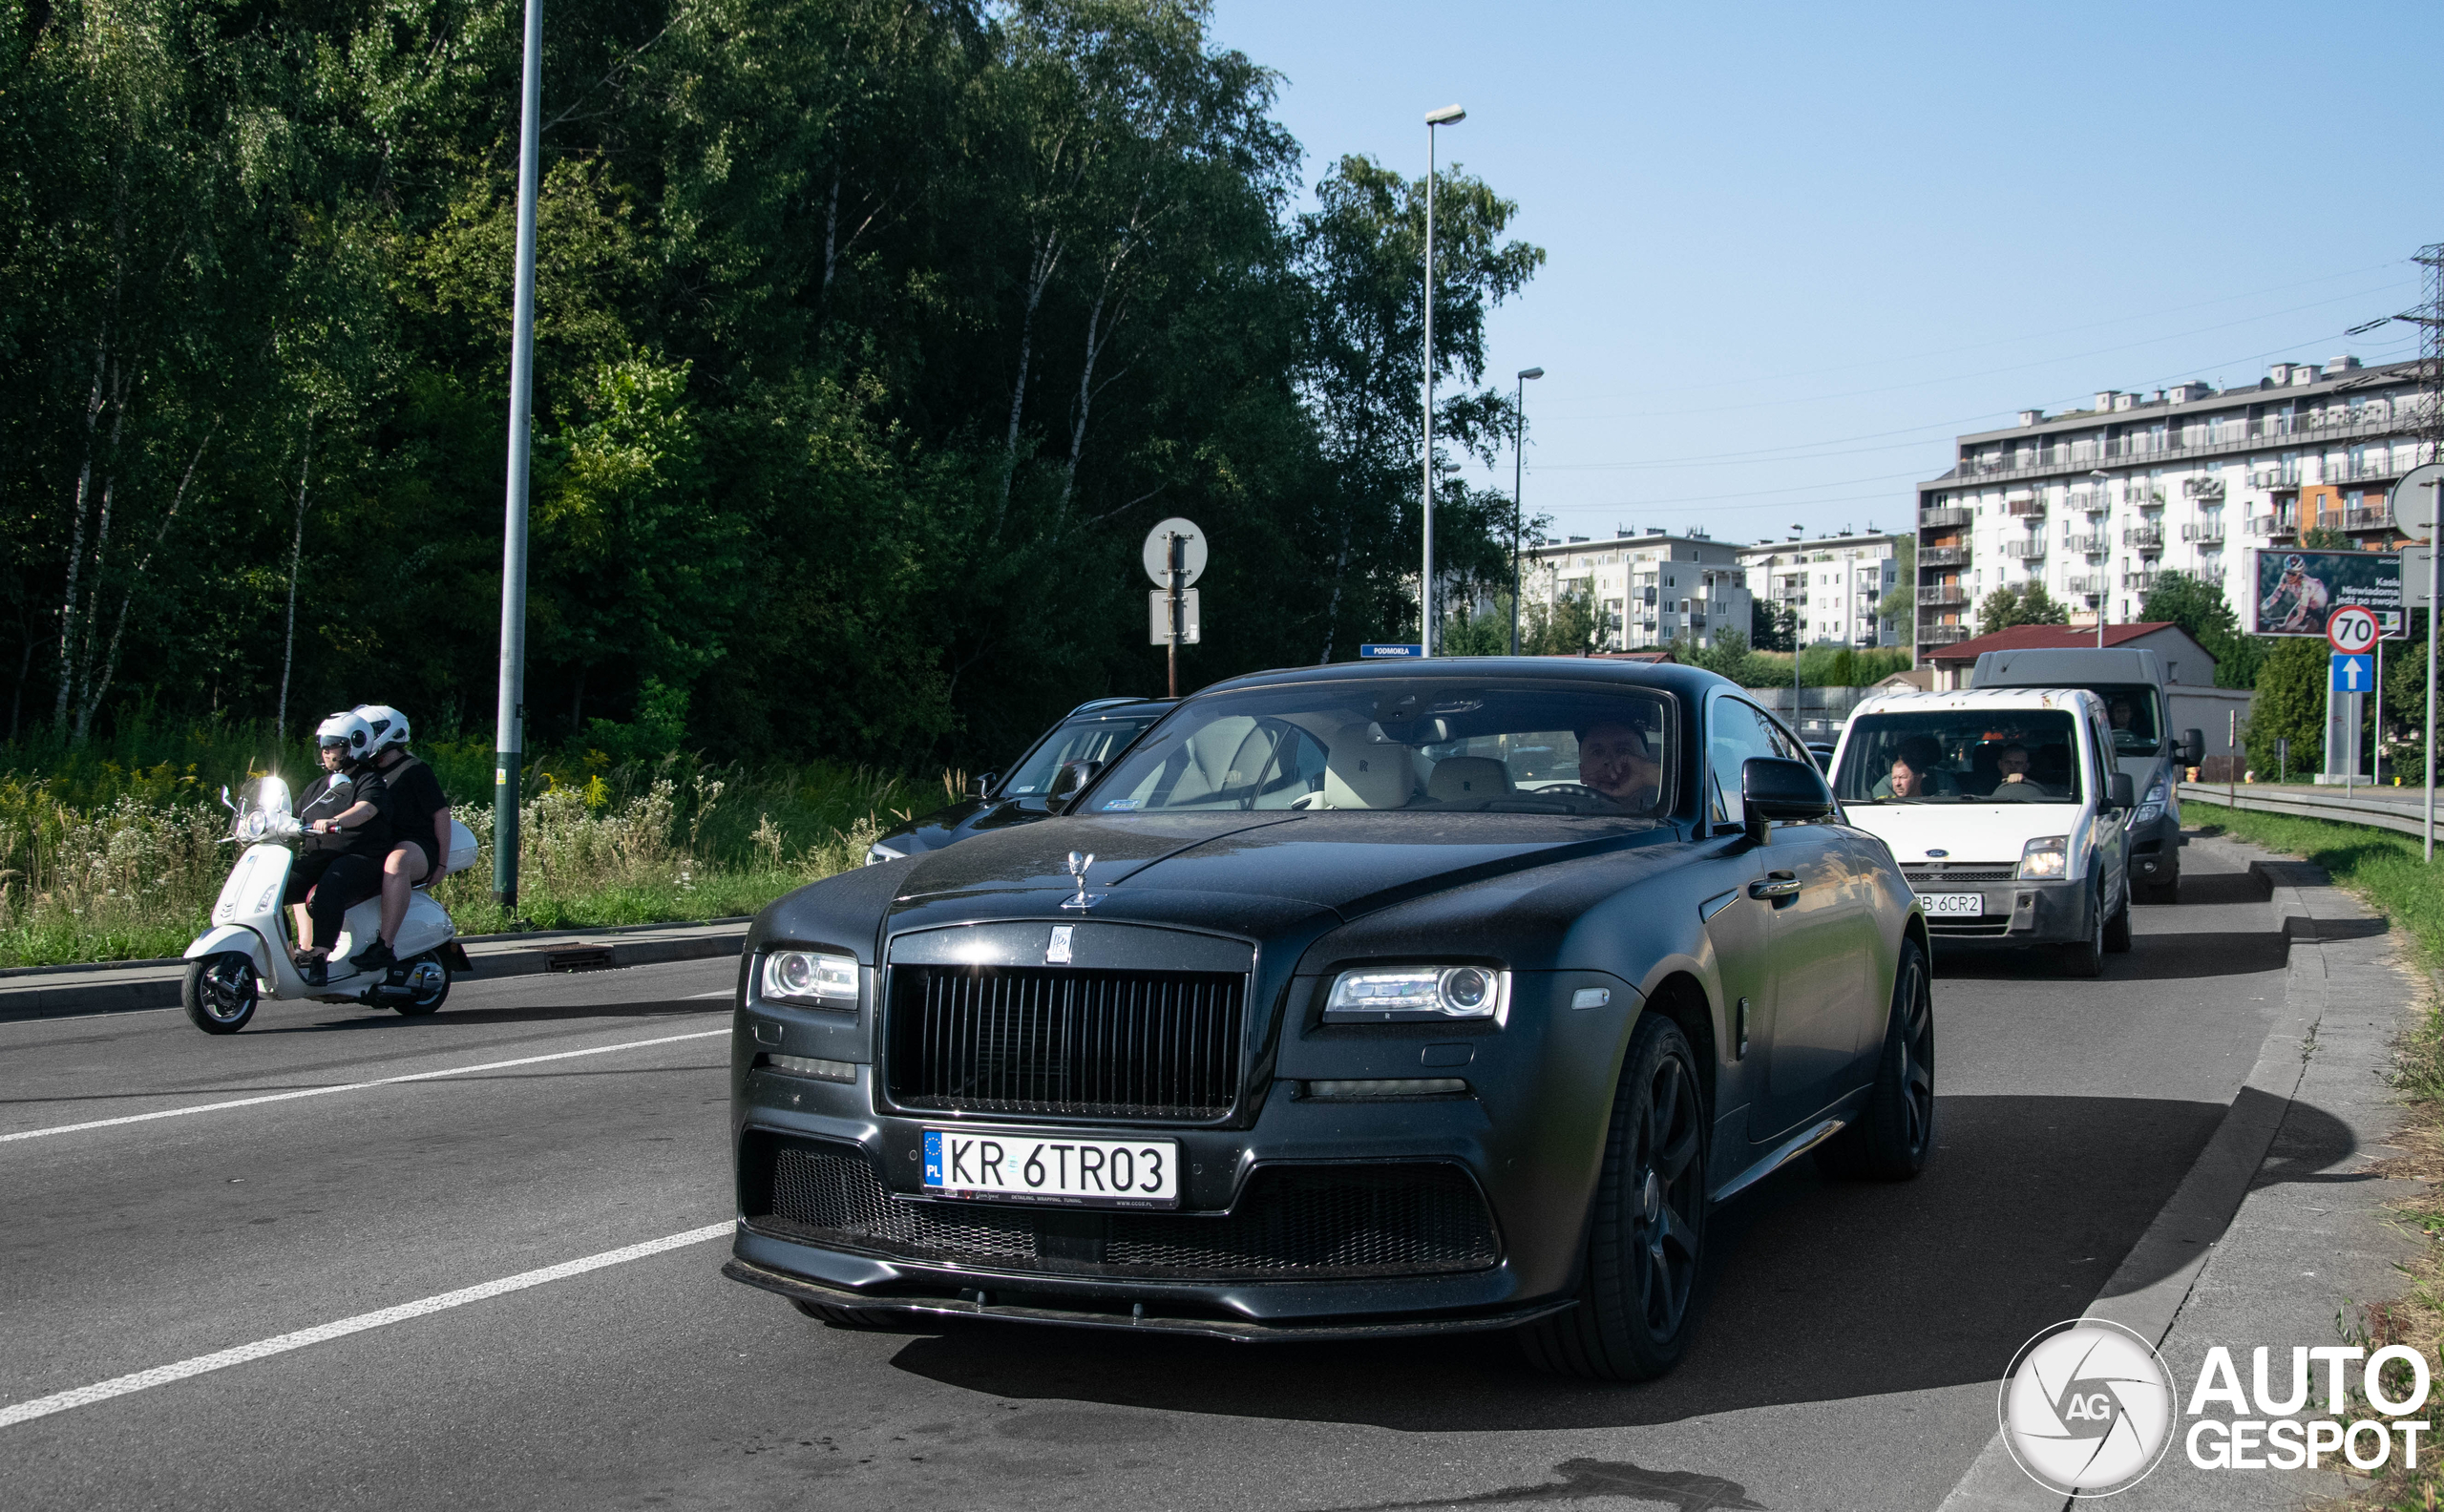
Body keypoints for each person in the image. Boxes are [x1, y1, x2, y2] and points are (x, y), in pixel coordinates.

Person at [286, 710, 393, 984]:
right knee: (278, 885)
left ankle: (320, 957)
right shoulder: (317, 787)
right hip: (320, 856)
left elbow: (365, 809)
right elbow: (293, 815)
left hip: (361, 857)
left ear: (354, 744)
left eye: (332, 744)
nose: (325, 751)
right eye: (323, 744)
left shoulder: (369, 781)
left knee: (331, 883)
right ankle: (283, 951)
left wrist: (336, 821)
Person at [348, 704, 452, 973]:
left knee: (396, 862)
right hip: (379, 845)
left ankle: (385, 946)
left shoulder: (415, 769)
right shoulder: (364, 772)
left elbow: (441, 814)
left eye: (370, 732)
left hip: (416, 844)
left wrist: (441, 863)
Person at [1579, 719, 1664, 813]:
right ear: (1582, 771)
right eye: (1597, 752)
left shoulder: (1674, 807)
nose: (1609, 760)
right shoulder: (1564, 819)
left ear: (1645, 762)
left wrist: (1651, 773)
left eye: (1622, 750)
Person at [1870, 736, 1955, 799]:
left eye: (1918, 754)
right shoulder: (1887, 783)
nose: (1897, 783)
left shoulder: (1945, 781)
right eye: (1908, 755)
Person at [1987, 743, 2054, 800]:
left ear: (2026, 767)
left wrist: (2023, 780)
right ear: (2000, 764)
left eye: (2018, 763)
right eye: (2008, 762)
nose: (2012, 766)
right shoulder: (1983, 788)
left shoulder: (2039, 789)